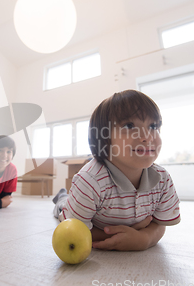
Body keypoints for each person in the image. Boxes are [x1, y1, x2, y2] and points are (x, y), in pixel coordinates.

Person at [52, 90, 180, 251]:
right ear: (103, 138)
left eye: (153, 126)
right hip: (77, 205)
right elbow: (75, 229)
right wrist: (128, 235)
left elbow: (160, 224)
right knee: (62, 207)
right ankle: (62, 197)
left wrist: (145, 238)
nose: (147, 136)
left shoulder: (162, 179)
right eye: (129, 126)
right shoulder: (89, 181)